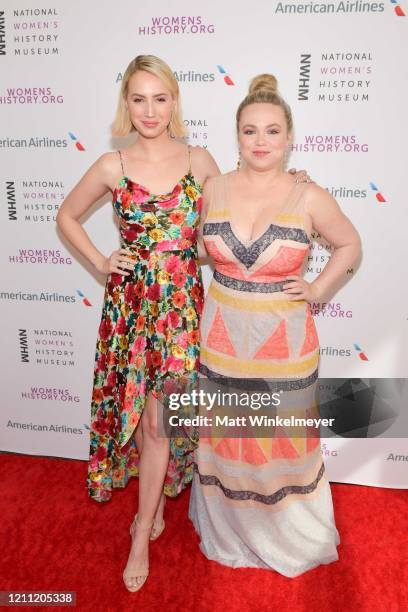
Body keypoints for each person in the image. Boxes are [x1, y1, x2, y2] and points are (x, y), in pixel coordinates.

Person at [56, 56, 308, 592]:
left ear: (175, 101)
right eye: (139, 98)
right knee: (147, 421)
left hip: (184, 311)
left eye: (160, 98)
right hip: (130, 309)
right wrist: (102, 262)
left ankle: (141, 527)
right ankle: (147, 517)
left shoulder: (200, 161)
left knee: (158, 423)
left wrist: (294, 184)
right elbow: (66, 216)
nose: (150, 110)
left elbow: (245, 199)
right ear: (126, 103)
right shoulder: (110, 165)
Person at [189, 74, 361, 577]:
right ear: (236, 136)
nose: (260, 141)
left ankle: (288, 534)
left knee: (281, 440)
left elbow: (349, 244)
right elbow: (189, 245)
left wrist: (320, 288)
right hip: (221, 339)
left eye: (270, 131)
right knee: (227, 441)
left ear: (288, 138)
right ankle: (230, 529)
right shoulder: (212, 188)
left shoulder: (307, 194)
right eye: (249, 131)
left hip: (283, 346)